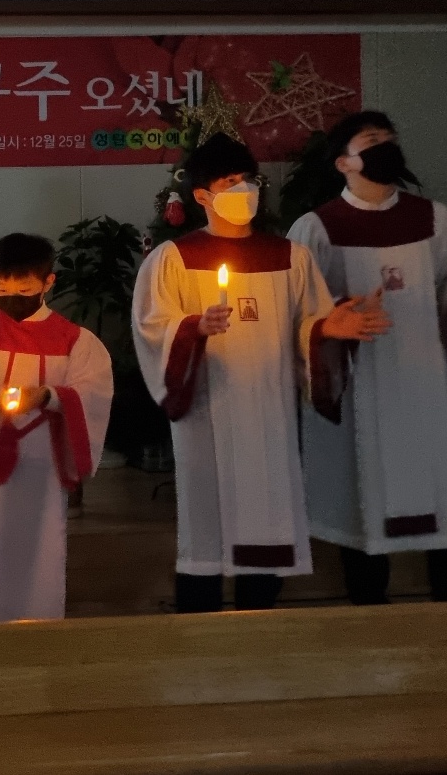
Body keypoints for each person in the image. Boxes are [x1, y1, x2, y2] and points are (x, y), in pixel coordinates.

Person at [132, 133, 390, 613]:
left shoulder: (291, 257)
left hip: (269, 413)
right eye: (229, 182)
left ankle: (261, 621)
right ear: (202, 196)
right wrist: (192, 329)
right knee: (207, 531)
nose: (243, 189)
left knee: (265, 520)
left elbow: (309, 324)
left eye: (247, 179)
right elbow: (152, 327)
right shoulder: (174, 259)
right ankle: (199, 624)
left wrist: (329, 327)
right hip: (208, 413)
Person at [287, 111, 447, 604]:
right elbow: (292, 311)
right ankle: (368, 615)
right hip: (360, 386)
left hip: (423, 383)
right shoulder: (316, 228)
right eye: (372, 139)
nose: (386, 145)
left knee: (442, 510)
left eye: (390, 138)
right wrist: (332, 322)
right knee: (365, 510)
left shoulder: (435, 218)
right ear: (343, 163)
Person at [0, 233, 113, 624]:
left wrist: (49, 396)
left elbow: (92, 393)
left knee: (40, 552)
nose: (12, 297)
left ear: (48, 282)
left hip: (43, 469)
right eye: (1, 287)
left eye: (24, 288)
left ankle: (39, 625)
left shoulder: (75, 341)